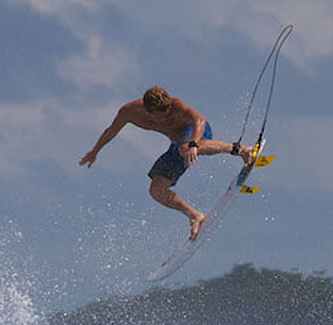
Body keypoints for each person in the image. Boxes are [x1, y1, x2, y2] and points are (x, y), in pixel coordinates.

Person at [80, 85, 254, 240]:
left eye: (167, 114)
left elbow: (199, 120)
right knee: (156, 190)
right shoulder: (129, 112)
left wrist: (194, 143)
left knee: (184, 148)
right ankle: (194, 215)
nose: (164, 119)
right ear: (147, 110)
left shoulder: (176, 105)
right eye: (159, 117)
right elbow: (111, 130)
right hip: (177, 145)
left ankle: (241, 150)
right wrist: (95, 151)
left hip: (195, 133)